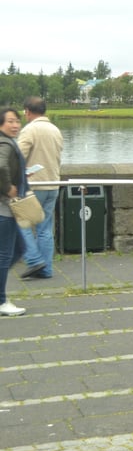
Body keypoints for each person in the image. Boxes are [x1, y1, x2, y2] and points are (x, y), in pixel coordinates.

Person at [18, 96, 64, 280]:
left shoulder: (29, 130)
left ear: (28, 111)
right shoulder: (55, 130)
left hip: (34, 185)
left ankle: (33, 259)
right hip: (53, 184)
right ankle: (46, 269)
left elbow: (18, 158)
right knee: (45, 229)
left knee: (22, 224)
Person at [0, 107, 28, 316]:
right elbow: (0, 166)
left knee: (20, 248)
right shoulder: (5, 143)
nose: (15, 125)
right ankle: (1, 301)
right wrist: (8, 187)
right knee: (5, 254)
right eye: (10, 121)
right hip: (4, 208)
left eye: (17, 121)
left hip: (6, 208)